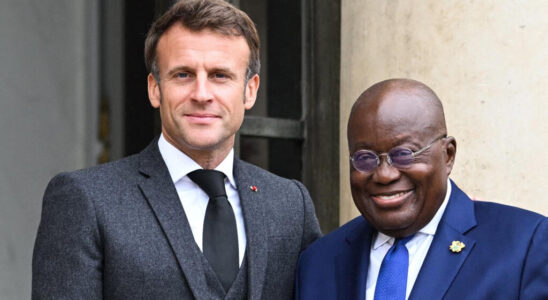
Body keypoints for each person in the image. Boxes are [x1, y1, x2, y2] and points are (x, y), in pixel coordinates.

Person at [32, 0, 321, 299]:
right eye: (183, 74)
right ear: (155, 89)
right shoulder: (85, 200)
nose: (201, 94)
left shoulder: (290, 205)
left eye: (220, 75)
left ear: (250, 90)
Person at [296, 79, 547, 300]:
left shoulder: (525, 245)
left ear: (447, 155)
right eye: (365, 158)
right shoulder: (319, 263)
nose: (384, 174)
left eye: (404, 155)